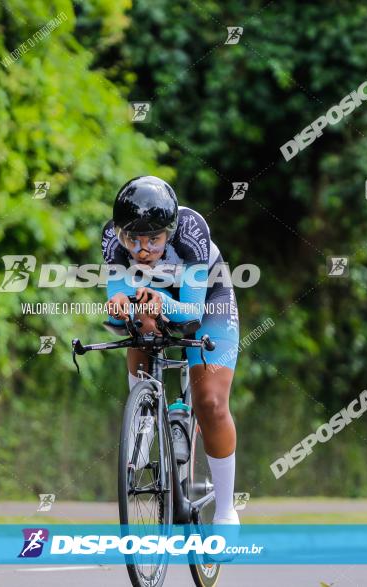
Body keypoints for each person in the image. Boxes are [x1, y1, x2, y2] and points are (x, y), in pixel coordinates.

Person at [102, 175, 241, 526]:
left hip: (207, 300)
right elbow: (116, 300)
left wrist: (161, 300)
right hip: (152, 300)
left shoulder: (191, 230)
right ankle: (143, 414)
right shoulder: (112, 240)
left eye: (153, 239)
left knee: (209, 401)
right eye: (132, 239)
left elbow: (192, 313)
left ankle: (226, 512)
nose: (142, 249)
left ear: (171, 231)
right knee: (139, 326)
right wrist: (120, 305)